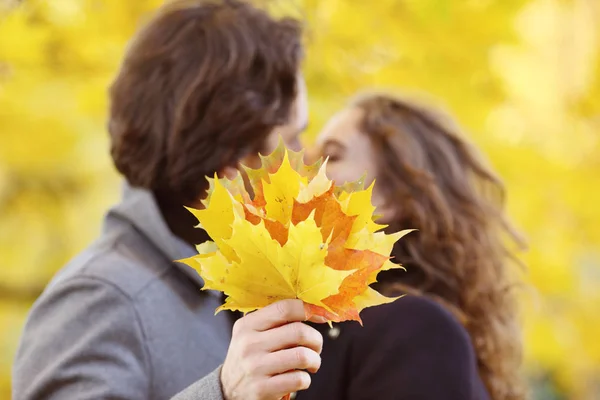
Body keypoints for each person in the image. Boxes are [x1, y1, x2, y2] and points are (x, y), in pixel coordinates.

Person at [12, 1, 324, 399]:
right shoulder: (101, 299)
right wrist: (224, 393)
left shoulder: (231, 284)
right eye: (295, 138)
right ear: (231, 167)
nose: (309, 159)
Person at [299, 92, 525, 400]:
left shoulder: (416, 331)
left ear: (393, 196)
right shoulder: (325, 325)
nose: (303, 173)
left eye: (332, 156)